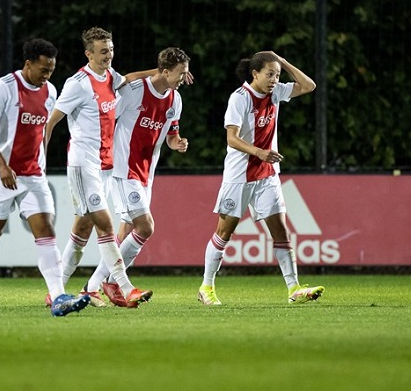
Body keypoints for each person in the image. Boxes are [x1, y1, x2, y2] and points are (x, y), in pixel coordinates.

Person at [0, 38, 90, 317]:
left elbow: (42, 131)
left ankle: (58, 297)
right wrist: (2, 166)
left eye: (51, 70)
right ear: (28, 64)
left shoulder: (50, 91)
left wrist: (41, 160)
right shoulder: (4, 87)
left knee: (46, 230)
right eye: (43, 70)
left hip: (33, 176)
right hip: (1, 175)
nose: (47, 76)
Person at [197, 51, 323, 306]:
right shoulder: (240, 98)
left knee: (281, 231)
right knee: (224, 233)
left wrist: (283, 62)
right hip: (239, 176)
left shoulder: (276, 93)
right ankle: (206, 287)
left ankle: (294, 289)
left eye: (277, 75)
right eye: (270, 74)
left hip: (267, 176)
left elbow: (309, 85)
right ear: (255, 74)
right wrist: (259, 152)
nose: (274, 79)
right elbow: (231, 138)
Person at [44, 27, 156, 308]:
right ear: (89, 54)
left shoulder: (110, 76)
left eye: (111, 49)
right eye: (103, 51)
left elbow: (128, 78)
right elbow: (51, 121)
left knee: (82, 228)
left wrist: (159, 73)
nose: (109, 55)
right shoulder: (78, 84)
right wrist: (39, 156)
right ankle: (125, 287)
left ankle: (55, 290)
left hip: (104, 165)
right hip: (83, 164)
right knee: (105, 224)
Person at [84, 47, 191, 306]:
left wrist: (177, 143)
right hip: (123, 170)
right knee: (146, 227)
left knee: (126, 233)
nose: (184, 78)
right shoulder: (134, 91)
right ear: (165, 71)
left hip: (146, 175)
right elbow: (106, 119)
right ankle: (114, 283)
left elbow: (172, 135)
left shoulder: (175, 100)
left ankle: (93, 286)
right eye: (181, 73)